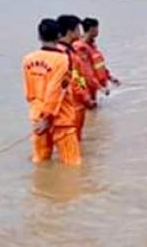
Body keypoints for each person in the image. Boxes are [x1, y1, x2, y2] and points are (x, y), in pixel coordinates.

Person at [23, 19, 82, 166]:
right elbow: (57, 89)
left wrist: (40, 116)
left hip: (37, 116)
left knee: (40, 161)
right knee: (72, 164)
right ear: (59, 36)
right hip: (60, 119)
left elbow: (29, 90)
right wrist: (48, 118)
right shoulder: (63, 60)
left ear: (39, 36)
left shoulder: (28, 59)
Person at [57, 15, 96, 139]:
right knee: (73, 141)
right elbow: (76, 79)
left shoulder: (59, 51)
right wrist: (86, 98)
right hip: (72, 105)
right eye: (78, 29)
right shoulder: (68, 55)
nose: (80, 32)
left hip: (61, 106)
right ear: (70, 31)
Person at [74, 17, 119, 101]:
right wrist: (100, 88)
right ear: (92, 29)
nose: (98, 31)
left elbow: (99, 66)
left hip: (93, 88)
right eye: (97, 28)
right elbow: (84, 73)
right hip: (85, 88)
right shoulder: (81, 48)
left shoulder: (92, 46)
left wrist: (110, 78)